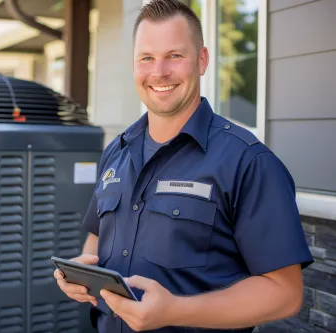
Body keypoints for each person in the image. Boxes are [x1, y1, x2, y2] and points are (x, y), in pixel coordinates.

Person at [53, 0, 313, 332]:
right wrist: (81, 275)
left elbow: (285, 293)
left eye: (174, 56)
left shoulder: (248, 162)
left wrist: (175, 310)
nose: (158, 72)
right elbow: (96, 242)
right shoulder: (116, 152)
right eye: (146, 58)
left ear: (202, 61)